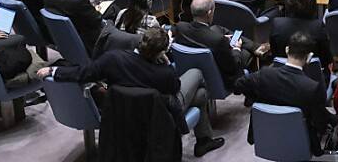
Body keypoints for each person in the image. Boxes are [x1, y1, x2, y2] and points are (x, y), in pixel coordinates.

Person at [38, 27, 224, 157]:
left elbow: (84, 73)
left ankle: (204, 139)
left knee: (200, 95)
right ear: (161, 52)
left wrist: (54, 71)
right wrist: (167, 65)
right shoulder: (164, 73)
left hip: (123, 113)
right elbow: (175, 89)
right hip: (158, 115)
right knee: (197, 76)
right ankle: (204, 140)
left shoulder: (113, 59)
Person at [233, 31, 338, 157]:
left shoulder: (264, 74)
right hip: (300, 143)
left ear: (287, 50)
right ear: (309, 57)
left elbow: (237, 85)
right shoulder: (312, 87)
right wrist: (335, 119)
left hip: (266, 137)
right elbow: (320, 123)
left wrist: (257, 99)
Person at [172, 0, 263, 93]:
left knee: (218, 28)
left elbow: (174, 29)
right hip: (219, 79)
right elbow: (232, 67)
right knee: (246, 54)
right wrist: (236, 49)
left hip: (189, 69)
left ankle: (255, 47)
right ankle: (251, 90)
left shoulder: (180, 27)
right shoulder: (218, 40)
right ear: (209, 13)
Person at [269, 0, 332, 70]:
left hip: (281, 73)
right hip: (312, 75)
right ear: (313, 4)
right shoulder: (318, 27)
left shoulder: (277, 23)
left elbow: (274, 54)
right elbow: (326, 60)